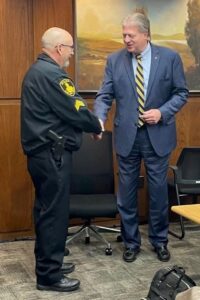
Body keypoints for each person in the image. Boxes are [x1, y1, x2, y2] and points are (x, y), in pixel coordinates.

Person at [93, 12, 188, 263]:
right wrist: (99, 118)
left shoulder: (169, 58)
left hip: (158, 135)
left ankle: (159, 241)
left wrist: (162, 112)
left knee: (157, 192)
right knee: (127, 193)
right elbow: (104, 95)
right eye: (123, 34)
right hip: (127, 137)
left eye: (130, 35)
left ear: (146, 34)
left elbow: (181, 93)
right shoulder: (115, 61)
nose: (126, 39)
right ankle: (131, 242)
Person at [21, 27, 102, 292]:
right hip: (51, 155)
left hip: (41, 155)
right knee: (54, 215)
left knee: (46, 211)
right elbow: (76, 108)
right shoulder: (52, 74)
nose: (71, 53)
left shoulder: (37, 71)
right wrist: (96, 126)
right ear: (58, 49)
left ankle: (50, 262)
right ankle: (49, 276)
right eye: (69, 48)